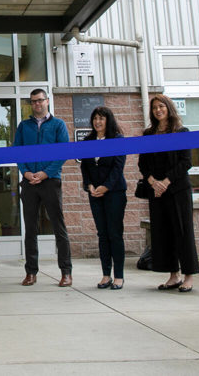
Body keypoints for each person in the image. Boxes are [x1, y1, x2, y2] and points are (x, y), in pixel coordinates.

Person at [138, 93, 199, 293]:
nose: (158, 110)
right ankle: (173, 276)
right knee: (164, 234)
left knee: (183, 232)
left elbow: (186, 162)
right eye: (155, 108)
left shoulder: (182, 132)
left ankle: (188, 276)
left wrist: (165, 182)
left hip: (178, 190)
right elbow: (143, 164)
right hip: (157, 192)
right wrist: (153, 182)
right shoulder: (148, 135)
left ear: (169, 108)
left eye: (161, 107)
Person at [15, 88, 72, 287]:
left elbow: (63, 152)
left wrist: (46, 173)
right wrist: (27, 172)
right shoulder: (24, 126)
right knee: (30, 228)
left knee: (59, 227)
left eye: (40, 100)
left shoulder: (58, 125)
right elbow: (18, 152)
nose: (37, 104)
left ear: (47, 101)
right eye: (33, 101)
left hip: (50, 181)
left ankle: (66, 272)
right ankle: (31, 272)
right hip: (29, 182)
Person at [79, 106, 127, 290]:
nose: (98, 121)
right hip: (95, 194)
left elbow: (118, 167)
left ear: (108, 120)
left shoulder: (117, 139)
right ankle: (106, 275)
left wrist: (105, 187)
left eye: (101, 118)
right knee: (102, 234)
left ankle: (119, 277)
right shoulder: (88, 140)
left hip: (114, 193)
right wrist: (90, 186)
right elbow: (85, 167)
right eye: (95, 118)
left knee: (115, 234)